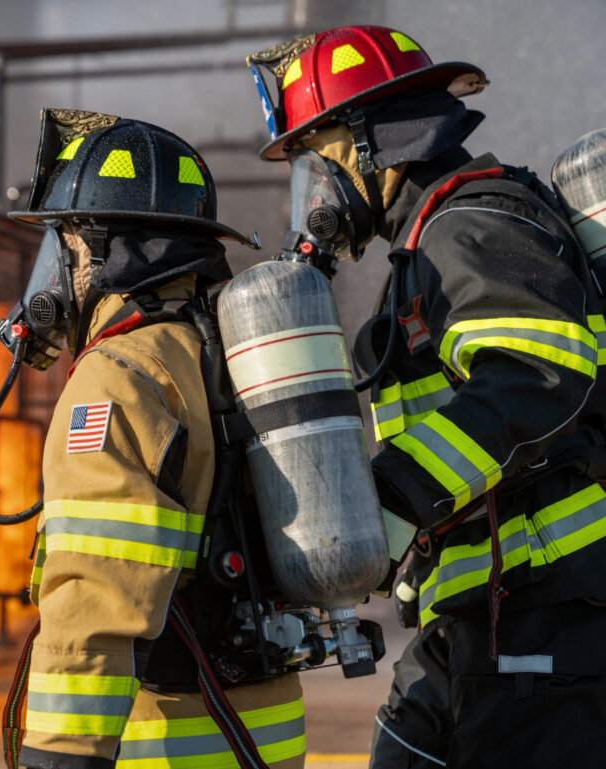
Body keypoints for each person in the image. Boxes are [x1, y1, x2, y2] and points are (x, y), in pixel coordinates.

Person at [246, 24, 606, 769]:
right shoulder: (422, 252)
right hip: (481, 612)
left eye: (318, 155)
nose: (314, 186)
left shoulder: (468, 223)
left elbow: (536, 373)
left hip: (549, 615)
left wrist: (392, 499)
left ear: (373, 140)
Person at [0, 109, 306, 769]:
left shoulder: (120, 372)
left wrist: (58, 758)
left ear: (93, 248)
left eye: (59, 245)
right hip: (268, 730)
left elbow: (95, 595)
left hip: (169, 741)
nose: (53, 275)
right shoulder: (233, 351)